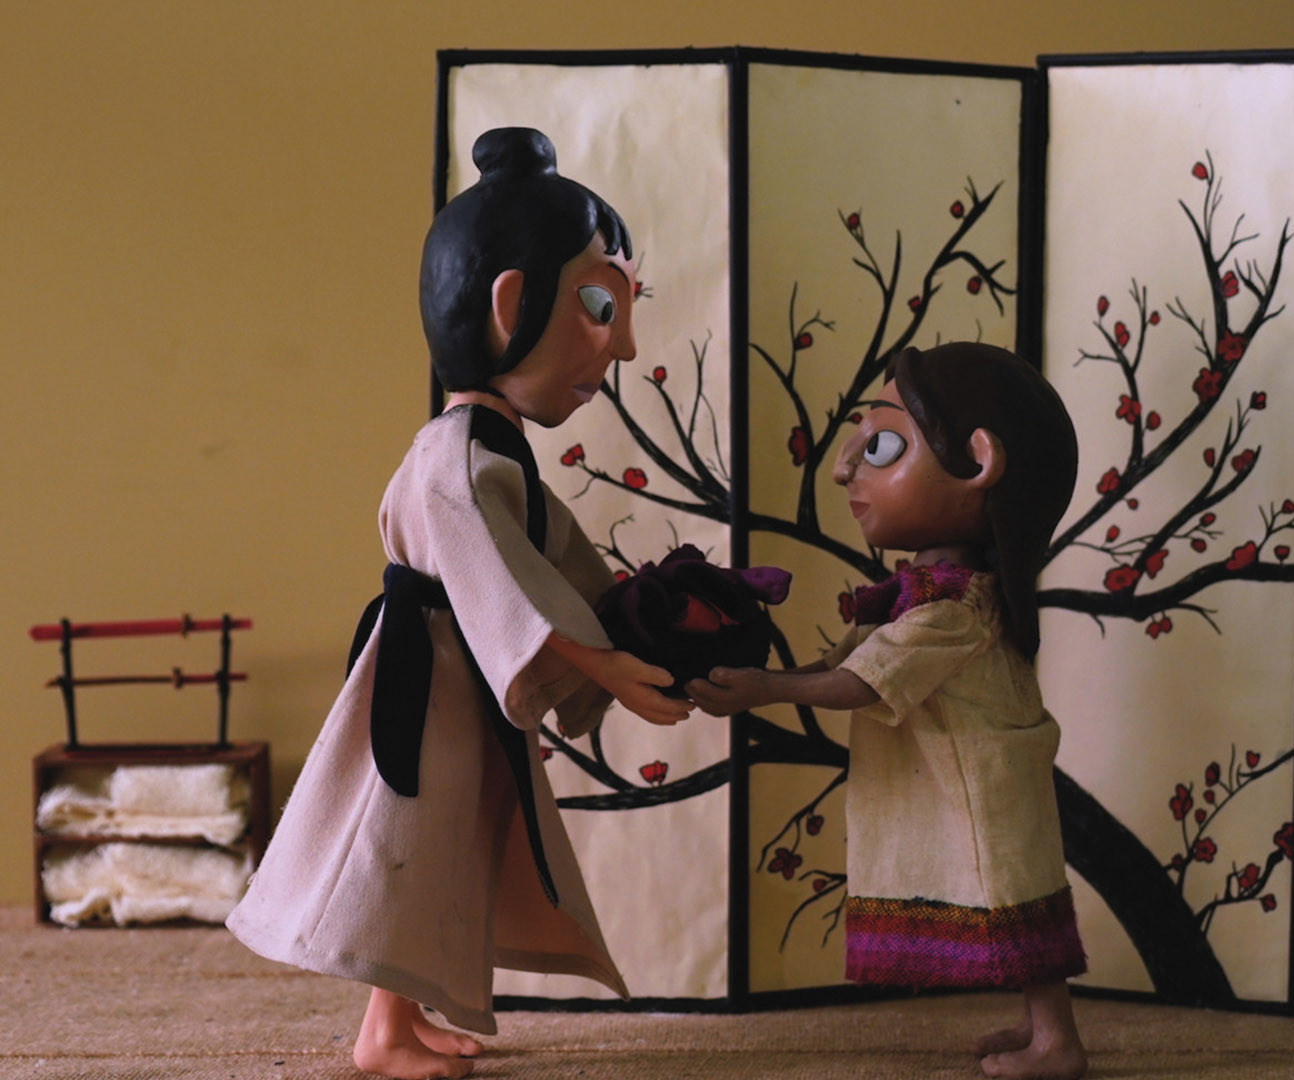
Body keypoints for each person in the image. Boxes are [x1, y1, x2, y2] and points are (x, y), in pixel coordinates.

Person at [226, 127, 690, 1080]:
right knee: (406, 845)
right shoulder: (456, 456)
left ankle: (399, 1018)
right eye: (601, 305)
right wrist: (605, 667)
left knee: (438, 851)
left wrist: (644, 623)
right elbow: (501, 582)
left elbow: (558, 560)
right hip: (430, 681)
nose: (623, 346)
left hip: (463, 677)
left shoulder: (496, 449)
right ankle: (383, 1034)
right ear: (509, 305)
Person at [689, 342, 1089, 1080]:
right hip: (957, 777)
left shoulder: (955, 607)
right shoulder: (918, 595)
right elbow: (846, 662)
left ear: (978, 461)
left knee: (1016, 898)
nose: (843, 468)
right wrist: (761, 678)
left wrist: (766, 689)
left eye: (879, 446)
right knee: (1009, 899)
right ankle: (1043, 1028)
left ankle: (1057, 1041)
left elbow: (863, 685)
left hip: (982, 783)